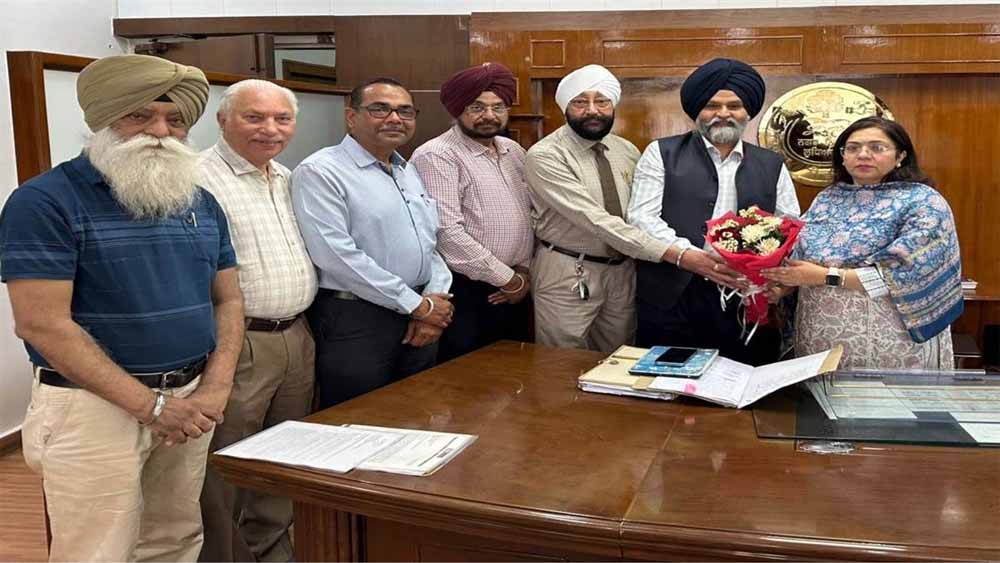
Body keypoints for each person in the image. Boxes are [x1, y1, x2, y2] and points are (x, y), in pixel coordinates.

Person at [0, 54, 244, 562]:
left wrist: (216, 387)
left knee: (175, 538)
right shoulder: (44, 202)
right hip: (92, 408)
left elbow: (228, 298)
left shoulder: (199, 202)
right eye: (139, 115)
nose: (160, 131)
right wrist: (151, 407)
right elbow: (42, 324)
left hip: (191, 400)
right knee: (97, 551)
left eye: (175, 119)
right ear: (103, 119)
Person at [197, 80, 318, 562]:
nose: (271, 129)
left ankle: (270, 549)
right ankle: (224, 557)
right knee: (226, 460)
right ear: (223, 120)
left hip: (297, 334)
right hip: (239, 341)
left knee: (284, 454)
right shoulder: (198, 179)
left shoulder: (285, 176)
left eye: (282, 119)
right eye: (254, 117)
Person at [292, 78, 453, 409]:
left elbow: (428, 243)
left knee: (418, 410)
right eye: (380, 109)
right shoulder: (321, 171)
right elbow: (336, 255)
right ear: (351, 117)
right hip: (357, 318)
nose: (395, 119)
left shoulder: (407, 170)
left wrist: (431, 301)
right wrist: (415, 304)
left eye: (405, 111)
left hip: (420, 311)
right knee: (359, 416)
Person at [627, 58, 800, 365]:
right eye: (712, 106)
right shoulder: (661, 152)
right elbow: (641, 217)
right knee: (667, 378)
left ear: (748, 112)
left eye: (734, 106)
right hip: (673, 292)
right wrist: (691, 257)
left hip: (745, 291)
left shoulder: (772, 163)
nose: (723, 113)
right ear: (697, 111)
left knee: (742, 374)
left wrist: (768, 273)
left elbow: (788, 223)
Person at [762, 116, 961, 368]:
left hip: (893, 338)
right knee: (822, 392)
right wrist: (783, 287)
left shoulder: (924, 201)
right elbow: (802, 258)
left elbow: (907, 271)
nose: (863, 155)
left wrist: (826, 277)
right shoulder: (827, 199)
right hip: (821, 334)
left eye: (877, 147)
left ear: (900, 156)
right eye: (853, 148)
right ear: (842, 157)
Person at [525, 64, 675, 353]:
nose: (592, 110)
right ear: (565, 108)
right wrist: (671, 253)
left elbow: (640, 212)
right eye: (580, 102)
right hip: (568, 271)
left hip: (622, 271)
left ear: (613, 105)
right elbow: (592, 218)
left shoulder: (627, 150)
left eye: (602, 101)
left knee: (619, 357)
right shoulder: (545, 155)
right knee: (561, 363)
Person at [411, 63, 533, 362]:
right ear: (457, 110)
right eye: (477, 107)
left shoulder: (513, 151)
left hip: (515, 284)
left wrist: (523, 272)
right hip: (467, 288)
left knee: (516, 370)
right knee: (470, 375)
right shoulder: (437, 154)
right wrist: (508, 279)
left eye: (498, 107)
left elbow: (530, 215)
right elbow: (447, 233)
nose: (489, 115)